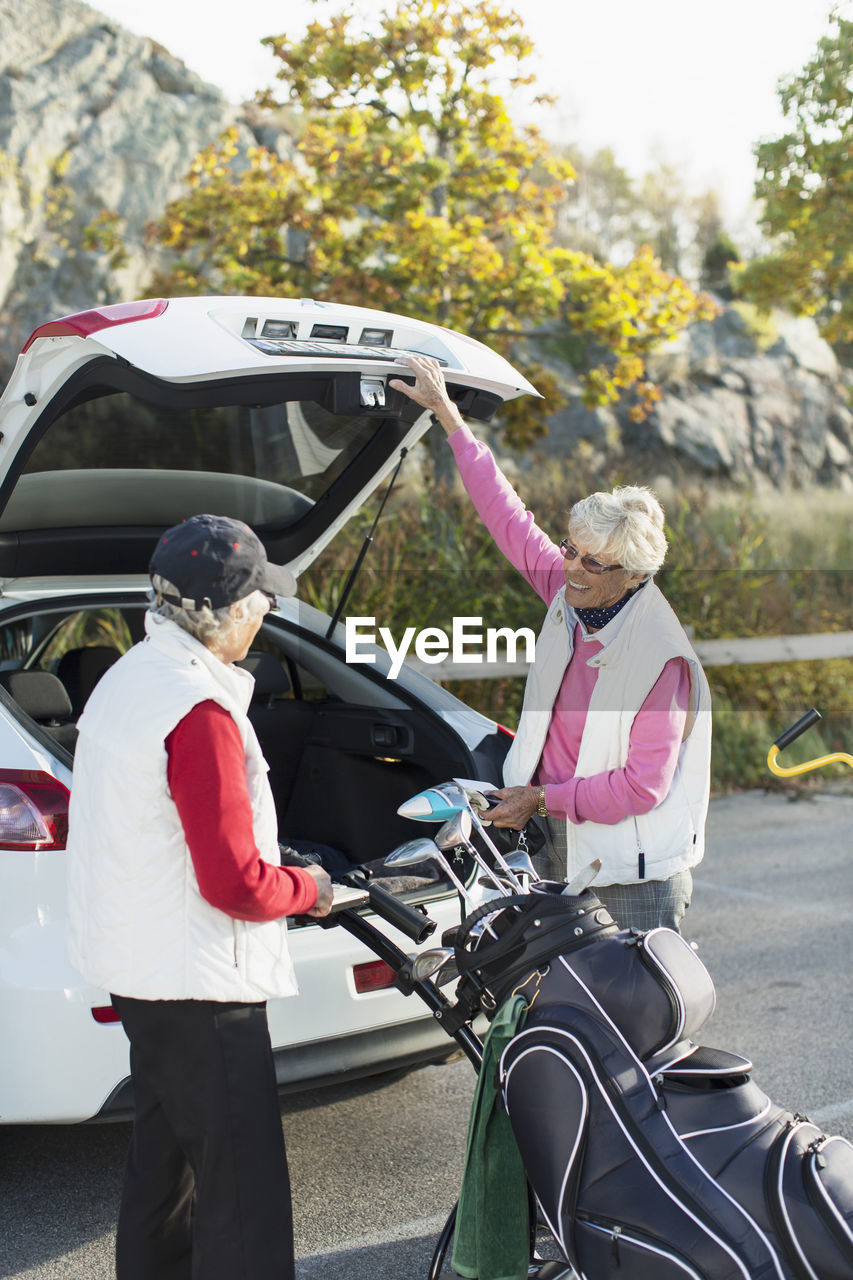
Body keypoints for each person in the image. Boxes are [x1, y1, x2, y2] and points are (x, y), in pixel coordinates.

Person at [66, 513, 334, 1280]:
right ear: (226, 613)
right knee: (242, 1192)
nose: (265, 616)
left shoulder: (128, 679)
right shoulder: (201, 713)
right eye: (259, 603)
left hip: (142, 970)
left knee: (167, 1170)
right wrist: (307, 888)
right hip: (198, 983)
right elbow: (234, 883)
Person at [389, 357, 711, 933]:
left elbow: (643, 785)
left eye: (594, 562)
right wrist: (451, 419)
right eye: (569, 550)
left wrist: (542, 799)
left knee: (625, 1017)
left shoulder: (660, 659)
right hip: (548, 833)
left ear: (634, 574)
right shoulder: (571, 589)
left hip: (629, 874)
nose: (573, 568)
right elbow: (507, 515)